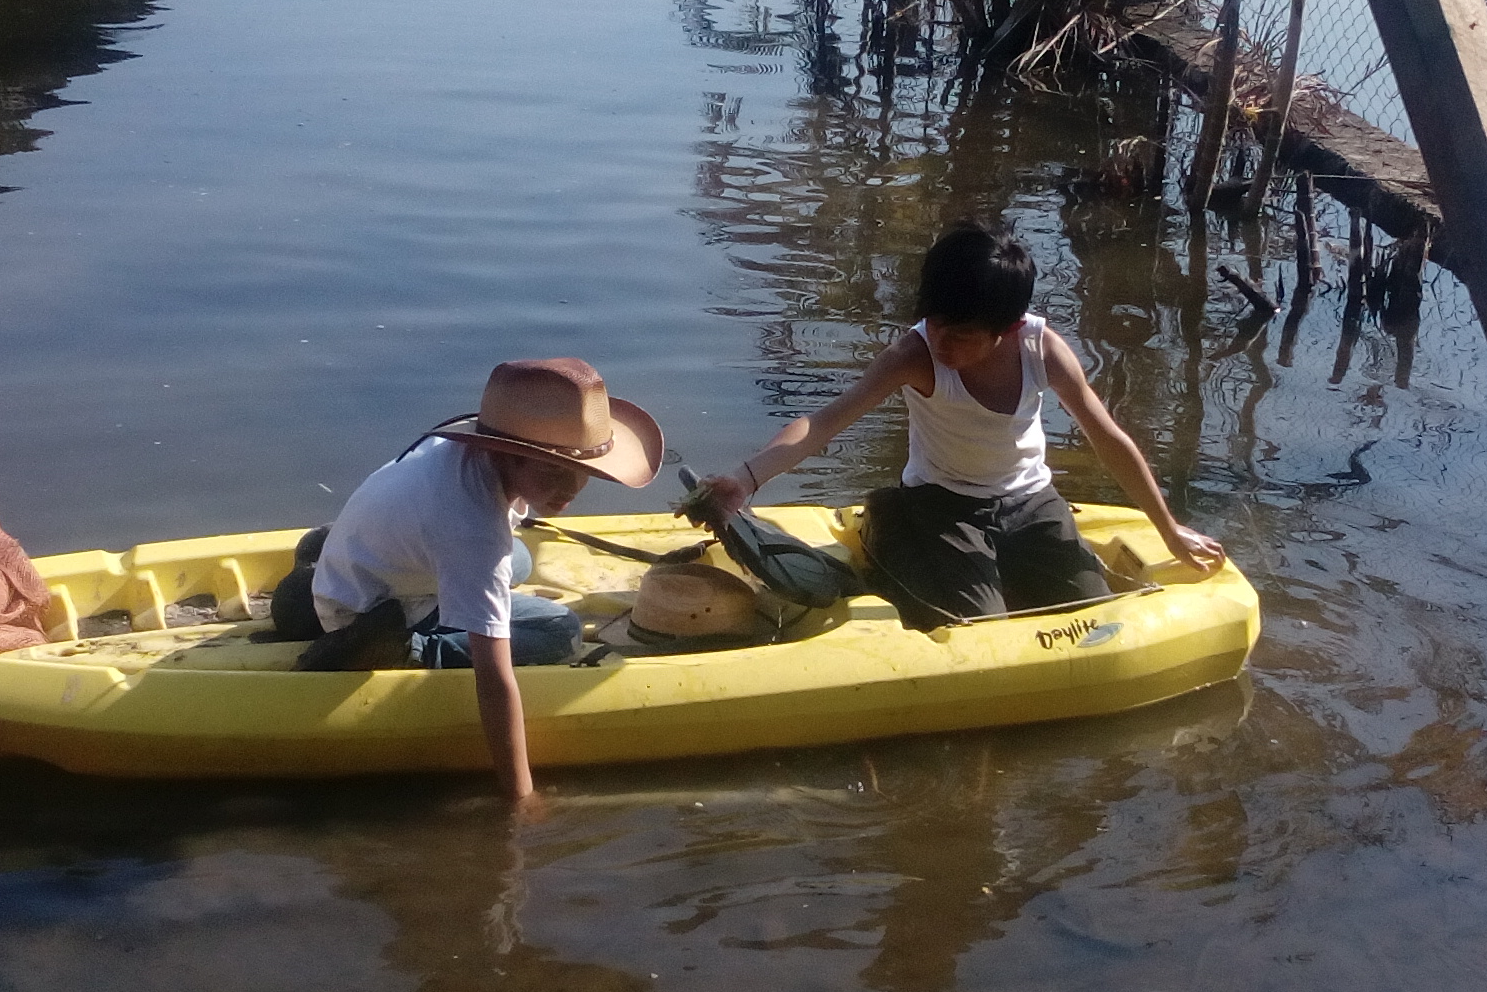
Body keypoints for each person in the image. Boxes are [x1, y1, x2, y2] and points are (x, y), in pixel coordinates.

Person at [692, 220, 1224, 626]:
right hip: (940, 508)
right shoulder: (913, 354)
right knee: (979, 627)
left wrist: (1168, 528)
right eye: (936, 322)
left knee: (1092, 617)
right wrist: (745, 477)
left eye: (962, 335)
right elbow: (826, 422)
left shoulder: (1042, 349)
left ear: (1009, 328)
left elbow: (1107, 438)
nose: (941, 343)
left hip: (1032, 504)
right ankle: (887, 528)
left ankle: (1005, 560)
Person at [281, 358, 664, 814]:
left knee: (517, 559)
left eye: (581, 471)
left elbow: (484, 535)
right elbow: (494, 680)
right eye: (552, 470)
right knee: (560, 630)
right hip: (373, 609)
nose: (572, 487)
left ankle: (335, 561)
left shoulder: (470, 457)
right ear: (506, 455)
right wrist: (521, 797)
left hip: (369, 559)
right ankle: (409, 647)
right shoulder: (472, 531)